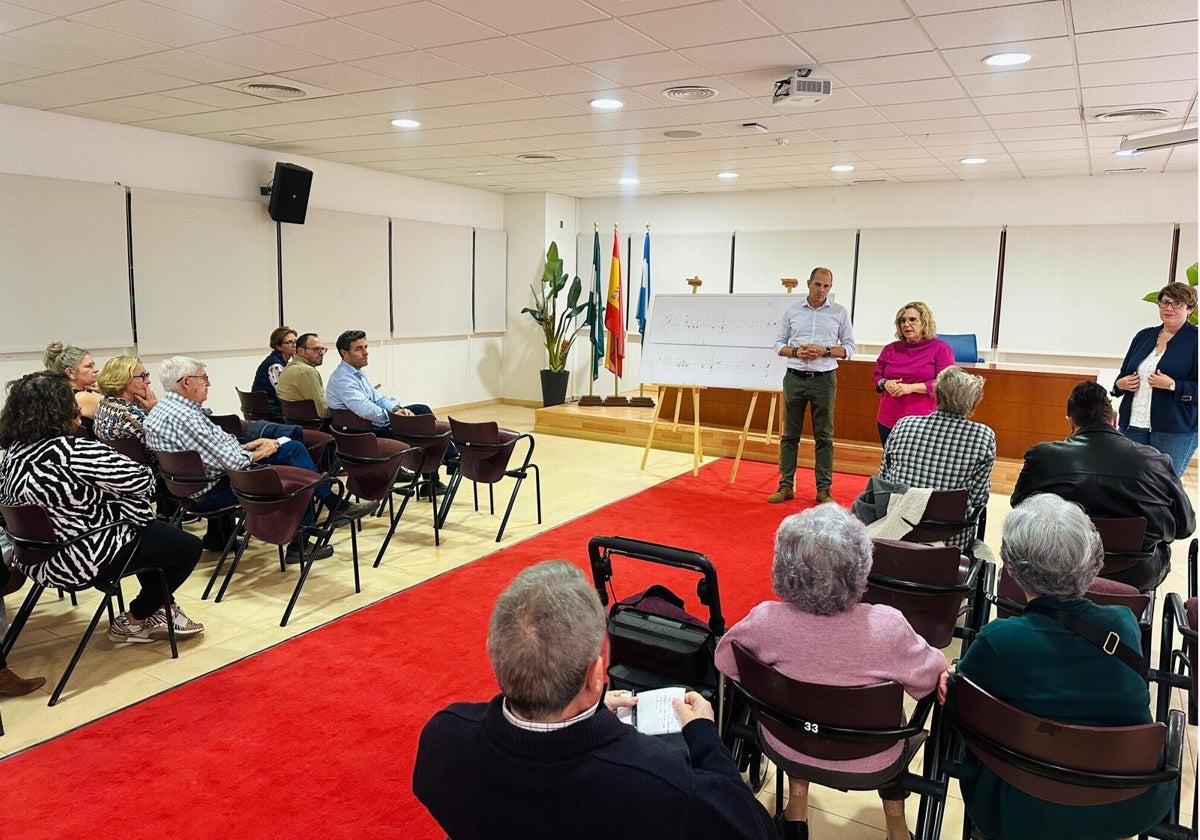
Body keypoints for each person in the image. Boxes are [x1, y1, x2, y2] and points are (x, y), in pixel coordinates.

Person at [413, 560, 776, 840]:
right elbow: (753, 827)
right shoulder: (662, 784)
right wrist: (704, 737)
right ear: (595, 674)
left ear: (495, 655)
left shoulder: (443, 738)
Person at [941, 494, 1177, 840]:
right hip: (1124, 800)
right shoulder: (1124, 624)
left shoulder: (1000, 640)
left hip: (1019, 803)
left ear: (1013, 568)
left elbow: (959, 708)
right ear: (1094, 561)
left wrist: (955, 677)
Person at [716, 505, 946, 840]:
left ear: (784, 567)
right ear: (860, 568)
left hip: (787, 744)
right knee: (889, 712)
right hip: (872, 760)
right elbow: (931, 679)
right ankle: (897, 830)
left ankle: (796, 812)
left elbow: (725, 660)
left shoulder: (765, 620)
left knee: (798, 697)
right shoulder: (886, 626)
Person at [0, 371, 204, 645]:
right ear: (61, 408)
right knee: (185, 546)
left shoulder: (13, 453)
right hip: (82, 557)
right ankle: (135, 619)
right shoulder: (73, 451)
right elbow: (143, 481)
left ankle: (162, 609)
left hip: (37, 559)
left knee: (150, 532)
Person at [144, 356, 372, 563]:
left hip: (189, 488)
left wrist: (248, 446)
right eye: (204, 378)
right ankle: (306, 537)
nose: (209, 383)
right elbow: (233, 463)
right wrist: (260, 451)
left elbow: (204, 453)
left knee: (292, 452)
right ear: (186, 382)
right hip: (217, 489)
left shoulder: (160, 411)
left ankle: (332, 506)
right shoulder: (187, 416)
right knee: (296, 465)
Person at [1012, 381, 1194, 590]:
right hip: (1134, 575)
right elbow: (1184, 527)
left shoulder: (1041, 456)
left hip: (1057, 568)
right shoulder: (1157, 461)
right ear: (1114, 418)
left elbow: (1019, 506)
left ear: (1071, 422)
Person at [877, 366, 995, 552]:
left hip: (895, 532)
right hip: (949, 543)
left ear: (937, 396)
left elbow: (883, 481)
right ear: (973, 405)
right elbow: (979, 498)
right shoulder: (983, 436)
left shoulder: (904, 424)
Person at [326, 329, 456, 494]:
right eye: (359, 349)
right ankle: (445, 464)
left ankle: (440, 470)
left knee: (422, 411)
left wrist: (397, 409)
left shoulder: (356, 373)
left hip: (372, 424)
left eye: (366, 347)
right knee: (423, 428)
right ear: (344, 353)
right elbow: (365, 409)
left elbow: (378, 398)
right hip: (365, 433)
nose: (366, 353)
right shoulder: (342, 379)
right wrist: (393, 416)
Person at [769, 267, 855, 505]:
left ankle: (823, 490)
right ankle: (785, 486)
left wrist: (825, 351)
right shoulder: (792, 310)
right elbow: (778, 344)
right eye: (818, 285)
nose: (822, 290)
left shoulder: (839, 312)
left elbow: (849, 348)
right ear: (809, 283)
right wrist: (796, 351)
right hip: (795, 376)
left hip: (824, 379)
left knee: (824, 437)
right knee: (789, 435)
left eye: (827, 286)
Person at [1112, 281, 1198, 477]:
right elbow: (1124, 373)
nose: (1169, 308)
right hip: (1133, 425)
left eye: (1177, 303)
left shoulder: (1196, 340)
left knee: (1163, 485)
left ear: (1190, 309)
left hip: (1175, 428)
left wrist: (1173, 385)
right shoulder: (1144, 336)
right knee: (1129, 480)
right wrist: (1120, 384)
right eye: (1165, 302)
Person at [872, 301, 955, 446]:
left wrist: (911, 388)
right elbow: (877, 376)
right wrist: (885, 383)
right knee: (889, 463)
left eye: (912, 320)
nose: (906, 324)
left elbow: (947, 383)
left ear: (924, 322)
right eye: (902, 321)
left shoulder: (940, 348)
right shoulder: (890, 349)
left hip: (923, 419)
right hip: (888, 417)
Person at [275, 332, 330, 419]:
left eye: (323, 349)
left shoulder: (289, 367)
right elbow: (323, 412)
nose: (321, 353)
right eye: (316, 349)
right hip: (313, 426)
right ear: (301, 351)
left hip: (294, 424)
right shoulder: (307, 372)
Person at [43, 340, 102, 419]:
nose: (95, 370)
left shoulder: (58, 395)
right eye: (89, 366)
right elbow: (119, 416)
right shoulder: (82, 397)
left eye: (93, 365)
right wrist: (107, 392)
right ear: (70, 372)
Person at [251, 326, 297, 421]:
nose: (294, 345)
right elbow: (284, 393)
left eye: (295, 341)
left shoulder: (282, 361)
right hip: (271, 413)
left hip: (270, 410)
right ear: (278, 346)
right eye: (289, 342)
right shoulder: (275, 365)